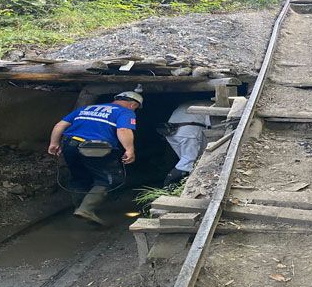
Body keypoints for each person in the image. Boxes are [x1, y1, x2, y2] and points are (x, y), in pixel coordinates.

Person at [48, 91, 142, 225]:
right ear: (133, 104)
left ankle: (79, 207)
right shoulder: (126, 112)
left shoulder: (86, 108)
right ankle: (86, 209)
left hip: (70, 144)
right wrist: (129, 150)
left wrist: (54, 143)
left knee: (79, 176)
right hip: (95, 148)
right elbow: (123, 130)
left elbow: (60, 125)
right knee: (110, 178)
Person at [162, 101, 211, 187]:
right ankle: (169, 184)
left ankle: (181, 182)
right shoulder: (211, 106)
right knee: (187, 161)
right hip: (188, 132)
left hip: (170, 132)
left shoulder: (187, 104)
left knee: (184, 159)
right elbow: (210, 125)